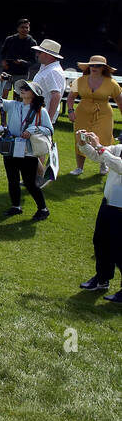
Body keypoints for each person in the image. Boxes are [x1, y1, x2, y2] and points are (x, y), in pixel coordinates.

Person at [0, 80, 52, 221]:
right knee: (12, 179)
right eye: (23, 88)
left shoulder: (41, 111)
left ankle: (43, 209)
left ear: (34, 94)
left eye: (27, 89)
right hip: (11, 147)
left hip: (28, 151)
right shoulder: (14, 105)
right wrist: (1, 83)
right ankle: (16, 207)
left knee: (29, 182)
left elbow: (49, 130)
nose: (23, 90)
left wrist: (32, 130)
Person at [76, 128, 122, 300]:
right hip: (109, 202)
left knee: (119, 249)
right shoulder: (119, 149)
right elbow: (98, 156)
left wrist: (100, 147)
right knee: (100, 241)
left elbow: (119, 166)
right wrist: (84, 145)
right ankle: (102, 278)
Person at [67, 56, 122, 175]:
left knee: (104, 138)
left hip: (104, 114)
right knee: (80, 137)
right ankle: (79, 167)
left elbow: (120, 101)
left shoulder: (112, 83)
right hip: (82, 113)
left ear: (103, 68)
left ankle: (104, 164)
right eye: (92, 65)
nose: (94, 67)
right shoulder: (79, 80)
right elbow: (71, 97)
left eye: (97, 65)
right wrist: (70, 111)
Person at [29, 38, 66, 185]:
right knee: (34, 147)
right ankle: (34, 177)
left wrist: (48, 120)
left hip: (42, 116)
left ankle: (40, 177)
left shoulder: (53, 71)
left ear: (49, 55)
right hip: (36, 113)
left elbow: (56, 95)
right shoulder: (47, 68)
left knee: (38, 147)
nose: (37, 54)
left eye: (40, 52)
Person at [0, 19, 37, 133]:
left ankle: (15, 124)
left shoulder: (32, 42)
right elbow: (2, 52)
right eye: (22, 27)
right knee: (3, 98)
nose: (25, 30)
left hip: (21, 74)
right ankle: (3, 124)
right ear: (18, 28)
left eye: (27, 27)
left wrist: (22, 62)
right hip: (8, 72)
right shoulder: (10, 39)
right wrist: (3, 61)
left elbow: (33, 61)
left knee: (18, 100)